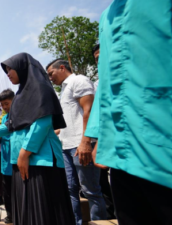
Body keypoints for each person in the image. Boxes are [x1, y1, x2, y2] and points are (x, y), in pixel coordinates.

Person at [87, 1, 172, 224]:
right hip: (121, 148)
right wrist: (96, 135)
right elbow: (105, 81)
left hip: (162, 142)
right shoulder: (107, 16)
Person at [0, 53, 74, 225]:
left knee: (43, 210)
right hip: (22, 158)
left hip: (40, 160)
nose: (7, 74)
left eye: (10, 69)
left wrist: (24, 153)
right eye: (5, 71)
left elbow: (42, 122)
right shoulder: (20, 95)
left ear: (22, 67)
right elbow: (12, 125)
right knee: (28, 208)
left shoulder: (41, 88)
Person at [46, 59, 107, 225]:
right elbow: (67, 122)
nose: (50, 78)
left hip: (81, 145)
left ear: (62, 68)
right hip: (65, 147)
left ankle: (99, 222)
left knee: (91, 191)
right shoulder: (63, 91)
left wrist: (86, 142)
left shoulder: (78, 81)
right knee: (69, 189)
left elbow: (89, 111)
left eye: (51, 73)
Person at [85, 44, 116, 220]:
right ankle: (111, 214)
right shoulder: (97, 85)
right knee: (103, 182)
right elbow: (97, 113)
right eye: (96, 59)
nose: (100, 61)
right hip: (103, 140)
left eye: (102, 56)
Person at [0, 88, 15, 224]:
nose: (4, 107)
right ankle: (9, 214)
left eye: (7, 103)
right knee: (7, 191)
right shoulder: (4, 118)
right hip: (5, 162)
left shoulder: (21, 116)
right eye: (2, 104)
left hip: (16, 162)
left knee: (18, 192)